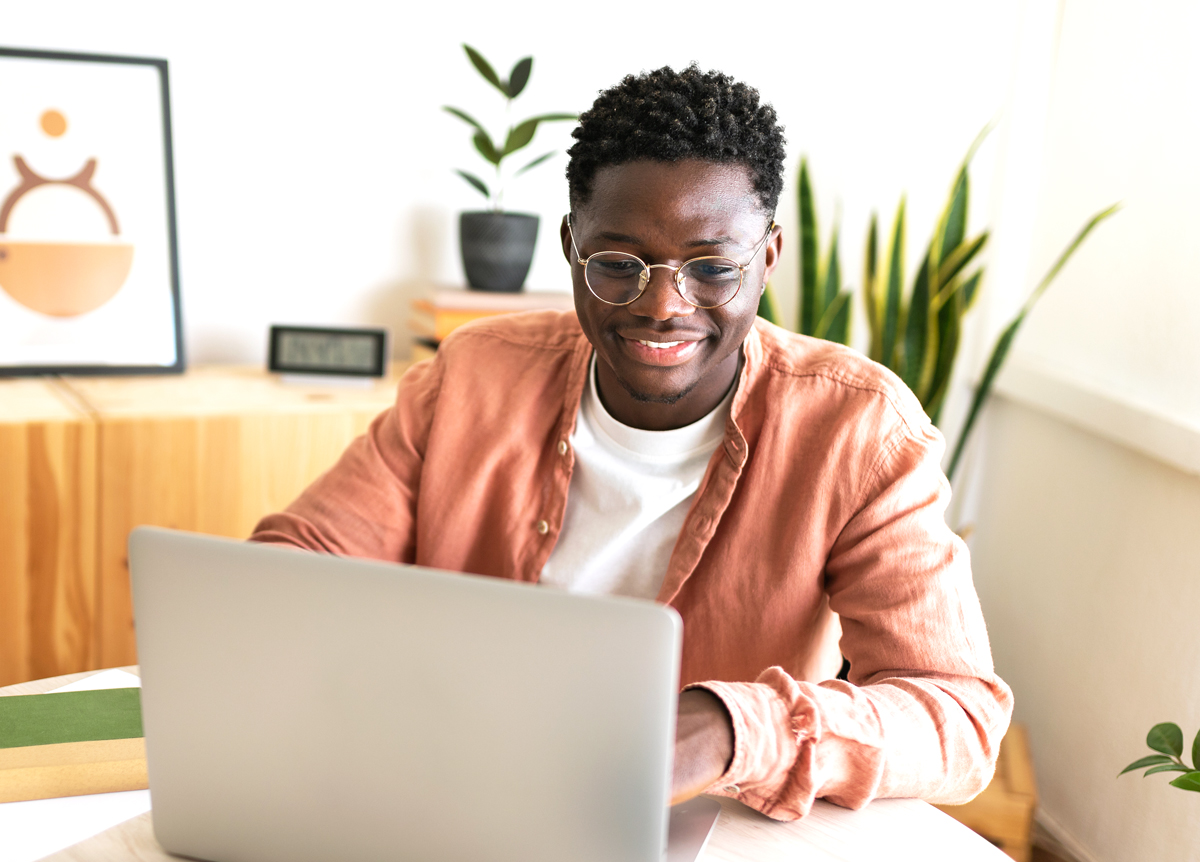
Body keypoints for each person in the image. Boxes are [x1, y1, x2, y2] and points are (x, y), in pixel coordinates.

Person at [251, 64, 1012, 821]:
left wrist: (726, 730)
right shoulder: (473, 377)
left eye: (712, 267)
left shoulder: (858, 432)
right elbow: (301, 562)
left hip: (689, 830)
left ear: (768, 257)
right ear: (570, 247)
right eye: (618, 265)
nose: (662, 305)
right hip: (446, 788)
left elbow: (959, 717)